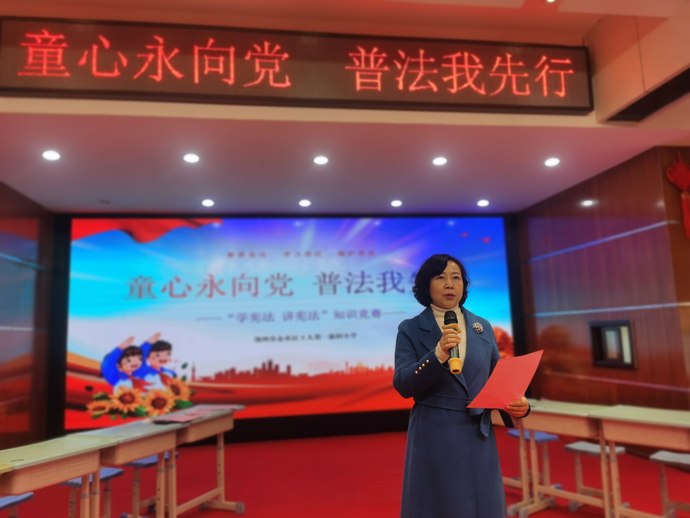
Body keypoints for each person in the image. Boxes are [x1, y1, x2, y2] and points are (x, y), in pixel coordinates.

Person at [393, 253, 530, 518]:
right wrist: (438, 355)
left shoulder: (482, 326)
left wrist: (519, 404)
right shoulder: (410, 328)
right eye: (440, 277)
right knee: (438, 507)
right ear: (426, 285)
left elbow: (497, 379)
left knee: (483, 505)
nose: (449, 284)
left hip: (478, 434)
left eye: (456, 278)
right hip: (435, 432)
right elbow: (403, 384)